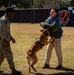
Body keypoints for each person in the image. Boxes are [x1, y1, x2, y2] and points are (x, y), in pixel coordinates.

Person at [0, 7, 21, 74]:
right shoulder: (4, 20)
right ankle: (13, 70)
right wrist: (5, 41)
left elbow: (7, 31)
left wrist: (11, 38)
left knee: (1, 55)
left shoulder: (7, 20)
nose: (13, 15)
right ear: (8, 13)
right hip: (3, 41)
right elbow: (1, 32)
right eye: (12, 13)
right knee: (9, 55)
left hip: (4, 40)